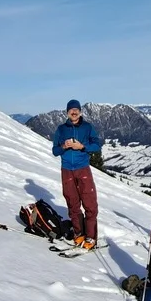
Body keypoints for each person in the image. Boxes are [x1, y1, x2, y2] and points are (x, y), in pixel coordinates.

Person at [52, 99, 102, 249]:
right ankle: (79, 234)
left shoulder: (87, 127)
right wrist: (63, 146)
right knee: (72, 202)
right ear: (67, 112)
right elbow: (55, 151)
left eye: (76, 110)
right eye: (71, 110)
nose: (73, 112)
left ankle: (91, 237)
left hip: (83, 168)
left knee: (89, 203)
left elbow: (97, 146)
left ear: (80, 112)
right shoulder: (61, 129)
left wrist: (82, 146)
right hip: (66, 169)